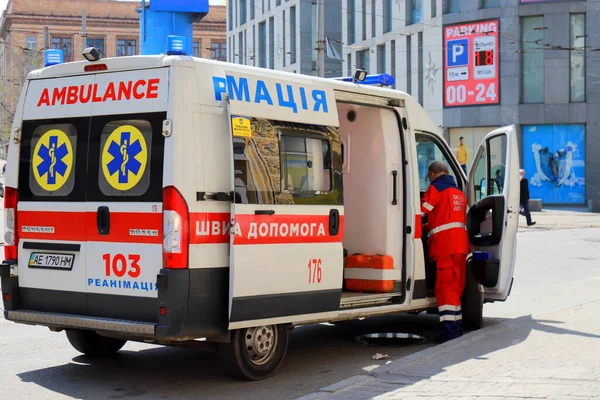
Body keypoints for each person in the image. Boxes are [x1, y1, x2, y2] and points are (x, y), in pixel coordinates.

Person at [421, 161, 469, 343]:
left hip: (445, 246)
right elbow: (447, 217)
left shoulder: (437, 189)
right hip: (460, 246)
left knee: (446, 288)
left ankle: (449, 331)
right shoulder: (458, 193)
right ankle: (457, 327)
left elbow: (422, 209)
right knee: (456, 287)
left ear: (432, 174)